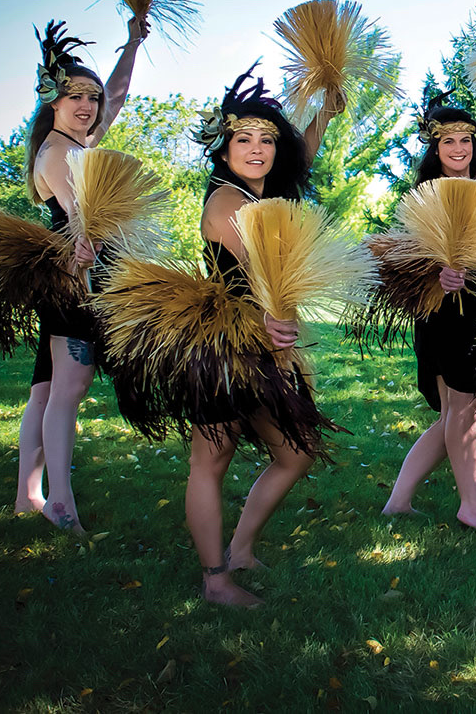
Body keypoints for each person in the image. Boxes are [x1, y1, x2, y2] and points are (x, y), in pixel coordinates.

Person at [186, 67, 342, 606]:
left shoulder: (264, 195)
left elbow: (303, 156)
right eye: (244, 139)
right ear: (223, 147)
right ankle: (215, 580)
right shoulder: (229, 204)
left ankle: (242, 547)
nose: (257, 149)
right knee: (213, 456)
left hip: (266, 351)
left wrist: (323, 111)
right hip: (225, 350)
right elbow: (251, 284)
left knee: (294, 454)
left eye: (267, 140)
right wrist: (272, 322)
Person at [15, 17, 146, 532]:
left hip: (70, 271)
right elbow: (78, 220)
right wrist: (86, 255)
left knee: (46, 390)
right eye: (76, 96)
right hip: (73, 277)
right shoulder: (59, 150)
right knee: (71, 385)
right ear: (52, 99)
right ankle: (61, 503)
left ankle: (29, 494)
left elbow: (116, 91)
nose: (89, 105)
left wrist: (133, 43)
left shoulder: (74, 143)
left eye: (91, 97)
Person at [381, 88, 476, 535]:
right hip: (446, 313)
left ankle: (398, 503)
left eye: (466, 140)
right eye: (448, 142)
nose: (459, 148)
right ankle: (473, 506)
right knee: (463, 408)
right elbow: (413, 252)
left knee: (452, 414)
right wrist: (439, 273)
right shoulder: (428, 193)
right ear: (435, 148)